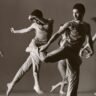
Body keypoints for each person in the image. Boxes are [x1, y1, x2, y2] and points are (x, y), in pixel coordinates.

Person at [40, 3, 94, 96]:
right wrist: (47, 45)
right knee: (45, 58)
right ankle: (37, 50)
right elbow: (57, 34)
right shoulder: (70, 24)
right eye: (73, 13)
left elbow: (89, 39)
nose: (74, 15)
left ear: (82, 13)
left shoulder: (86, 26)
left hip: (74, 55)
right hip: (66, 49)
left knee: (73, 83)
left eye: (76, 13)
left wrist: (92, 50)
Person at [6, 9, 54, 96]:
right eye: (34, 20)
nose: (35, 21)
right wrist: (15, 31)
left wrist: (34, 17)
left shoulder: (49, 21)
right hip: (35, 44)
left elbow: (45, 22)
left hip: (41, 48)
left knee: (25, 67)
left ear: (40, 17)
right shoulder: (35, 25)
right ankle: (36, 85)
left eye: (36, 19)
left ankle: (12, 83)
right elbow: (25, 30)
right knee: (37, 62)